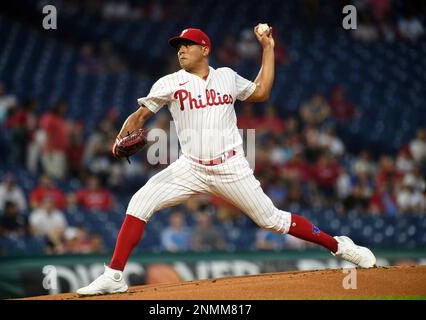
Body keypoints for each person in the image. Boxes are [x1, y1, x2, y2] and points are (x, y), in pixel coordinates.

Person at [77, 26, 376, 296]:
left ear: (205, 49)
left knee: (272, 220)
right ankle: (114, 275)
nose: (180, 50)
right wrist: (120, 137)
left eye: (187, 45)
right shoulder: (169, 82)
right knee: (140, 202)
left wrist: (268, 48)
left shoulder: (227, 77)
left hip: (231, 167)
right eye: (178, 46)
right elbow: (140, 116)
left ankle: (340, 246)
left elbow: (261, 92)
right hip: (190, 167)